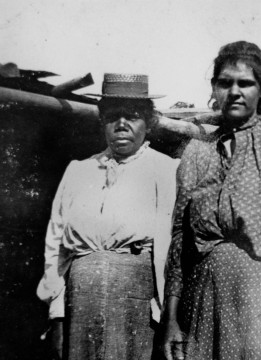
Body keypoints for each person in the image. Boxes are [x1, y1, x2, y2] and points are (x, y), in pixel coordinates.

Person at [161, 41, 261, 360]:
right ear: (214, 88)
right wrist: (171, 318)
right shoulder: (197, 153)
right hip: (204, 300)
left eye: (245, 83)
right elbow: (180, 241)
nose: (234, 91)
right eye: (224, 82)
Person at [36, 73, 180, 360]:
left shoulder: (165, 169)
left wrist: (164, 312)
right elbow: (57, 247)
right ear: (102, 120)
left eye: (133, 116)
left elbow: (171, 247)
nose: (122, 124)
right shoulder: (78, 170)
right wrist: (57, 311)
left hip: (135, 294)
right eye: (113, 116)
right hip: (81, 295)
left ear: (148, 122)